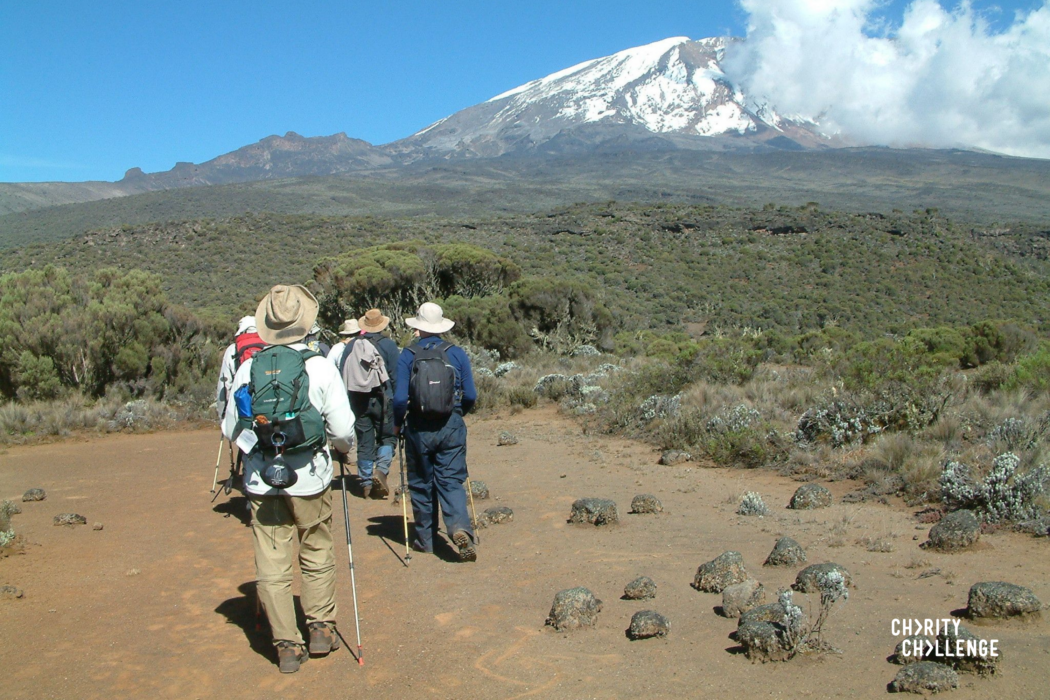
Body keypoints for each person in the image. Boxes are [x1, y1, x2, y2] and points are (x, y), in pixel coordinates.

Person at [222, 285, 355, 674]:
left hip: (264, 480)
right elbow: (344, 429)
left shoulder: (249, 368)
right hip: (310, 478)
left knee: (272, 561)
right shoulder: (318, 366)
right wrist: (338, 449)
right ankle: (320, 628)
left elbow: (232, 427)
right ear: (304, 323)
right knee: (315, 549)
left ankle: (286, 646)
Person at [393, 302, 478, 561]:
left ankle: (425, 540)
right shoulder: (457, 353)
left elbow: (398, 399)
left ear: (418, 327)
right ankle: (459, 527)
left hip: (418, 428)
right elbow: (471, 394)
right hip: (451, 426)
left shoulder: (407, 355)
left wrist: (397, 423)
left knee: (420, 483)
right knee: (451, 480)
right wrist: (458, 412)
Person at [344, 308, 400, 499]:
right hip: (383, 399)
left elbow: (342, 373)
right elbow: (395, 376)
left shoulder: (351, 346)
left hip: (358, 401)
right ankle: (381, 471)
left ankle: (366, 482)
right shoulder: (388, 346)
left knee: (364, 440)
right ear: (382, 324)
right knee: (387, 437)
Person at [215, 316, 258, 419]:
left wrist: (222, 416)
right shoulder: (270, 347)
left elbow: (224, 386)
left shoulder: (232, 350)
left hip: (240, 409)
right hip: (267, 409)